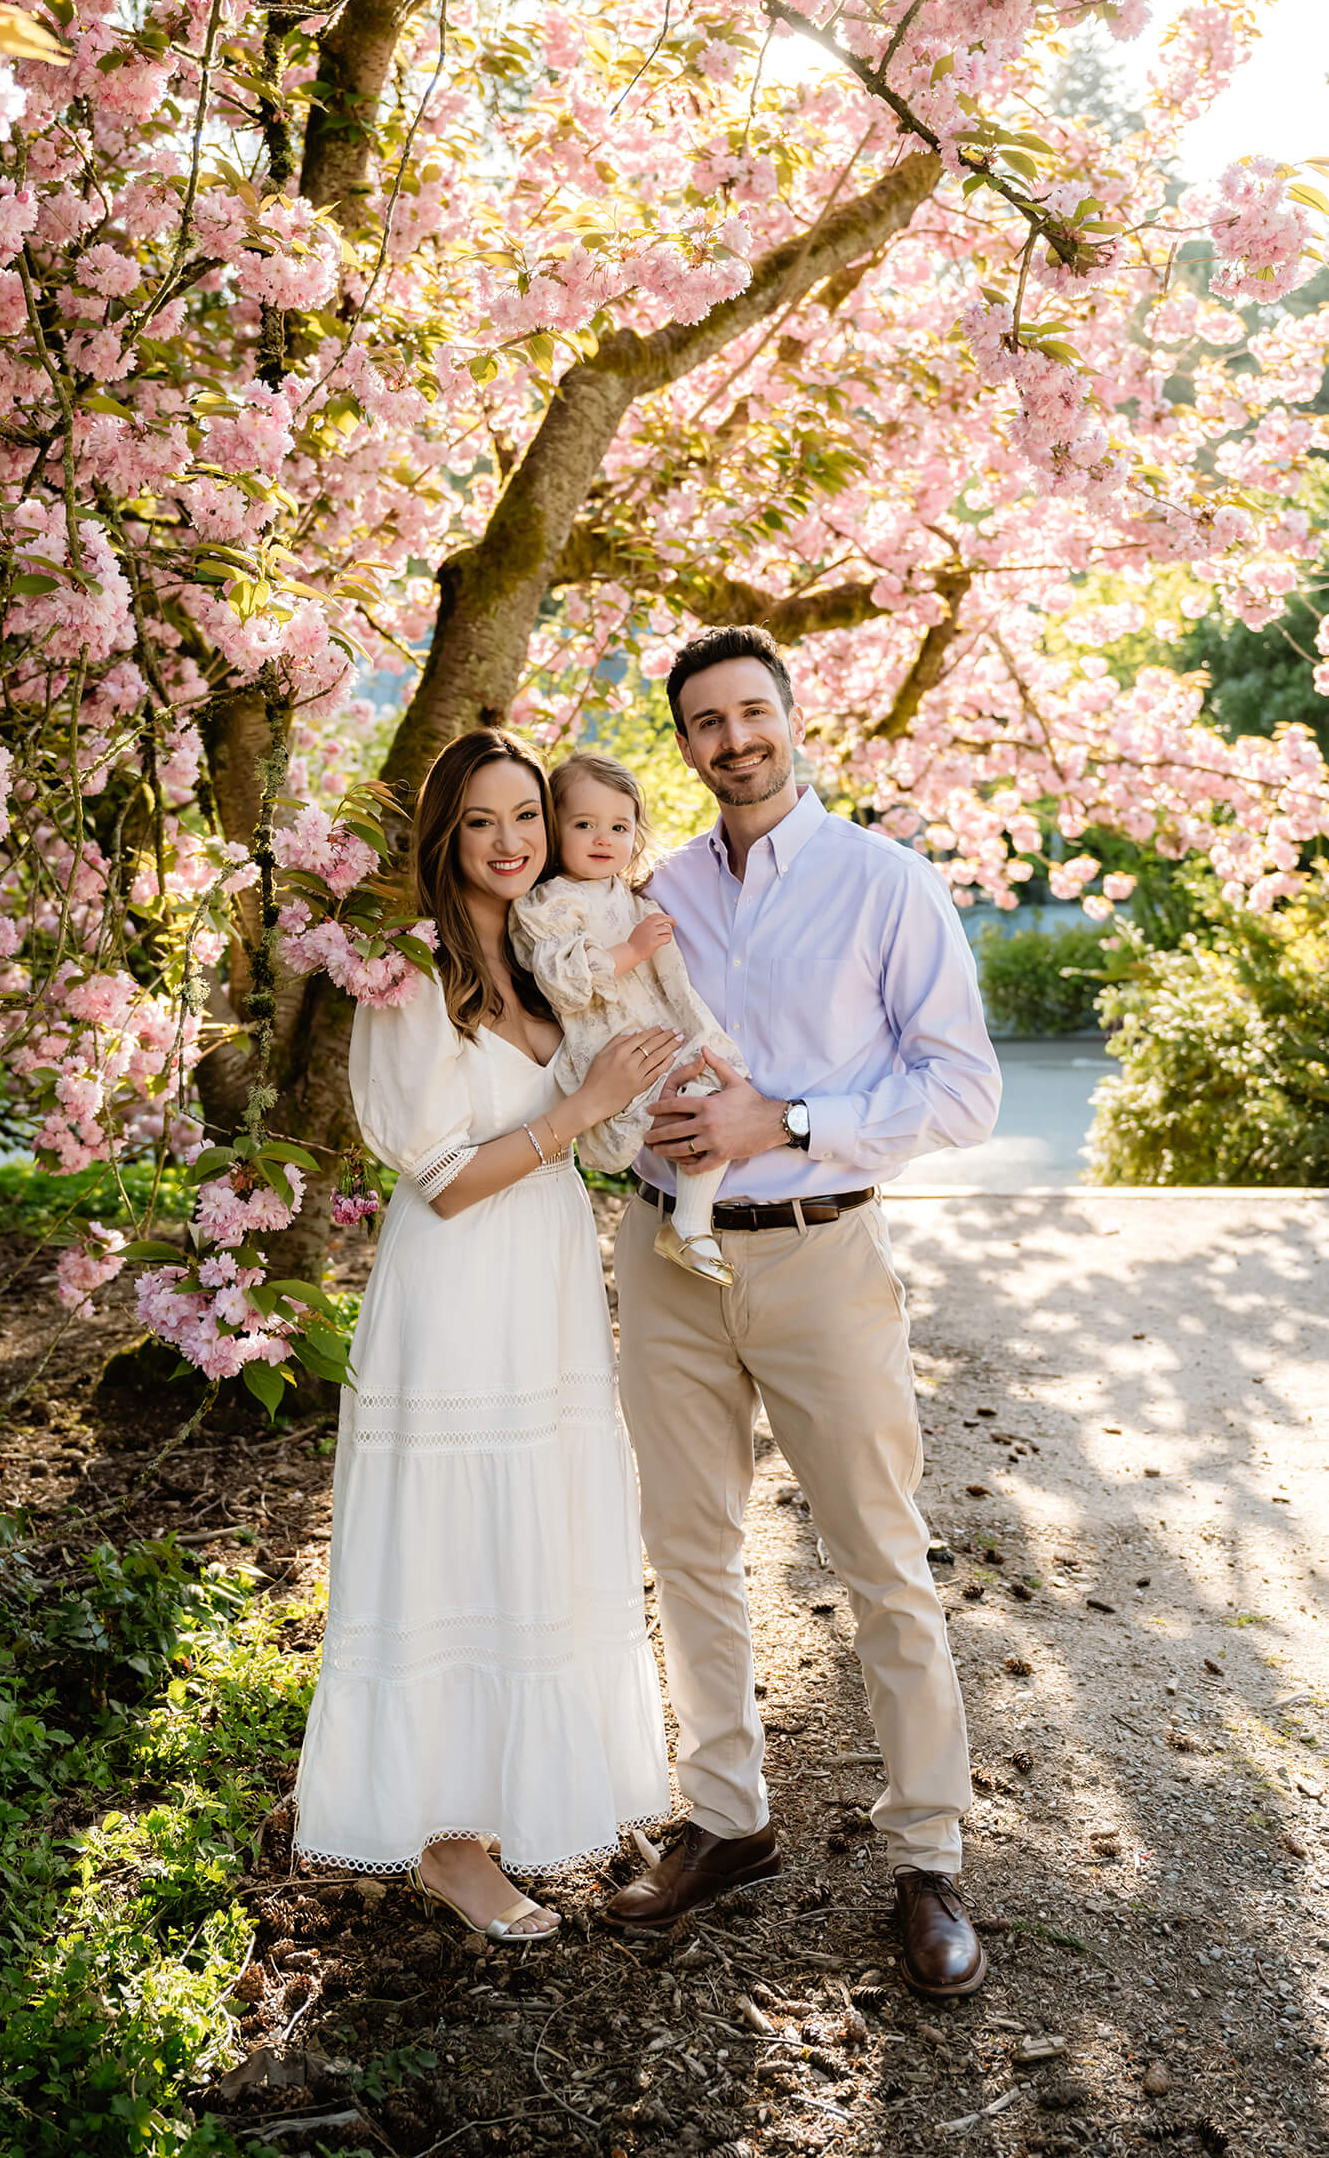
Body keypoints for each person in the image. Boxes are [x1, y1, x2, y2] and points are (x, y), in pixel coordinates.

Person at [603, 626, 1003, 2000]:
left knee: (878, 1557)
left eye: (749, 713)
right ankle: (725, 1819)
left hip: (821, 1259)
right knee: (687, 1544)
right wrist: (630, 1115)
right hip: (663, 1254)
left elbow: (963, 1090)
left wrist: (787, 1117)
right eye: (703, 723)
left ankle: (927, 1855)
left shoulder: (880, 883)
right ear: (685, 744)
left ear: (788, 716)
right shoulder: (648, 891)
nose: (732, 740)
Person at [293, 728, 674, 1940]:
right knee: (454, 1540)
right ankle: (449, 1847)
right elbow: (444, 1177)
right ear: (443, 836)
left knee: (536, 1533)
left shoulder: (542, 955)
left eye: (528, 819)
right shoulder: (409, 973)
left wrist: (628, 1052)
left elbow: (606, 1136)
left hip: (545, 1273)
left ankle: (504, 1806)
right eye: (482, 823)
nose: (511, 844)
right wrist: (581, 1104)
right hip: (458, 1282)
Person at [510, 752, 752, 1286]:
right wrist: (631, 951)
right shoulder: (549, 902)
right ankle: (687, 1224)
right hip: (610, 1041)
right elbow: (563, 981)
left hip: (657, 1029)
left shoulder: (633, 896)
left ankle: (689, 1223)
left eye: (619, 826)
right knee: (669, 1110)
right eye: (584, 825)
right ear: (553, 830)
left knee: (712, 1097)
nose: (603, 838)